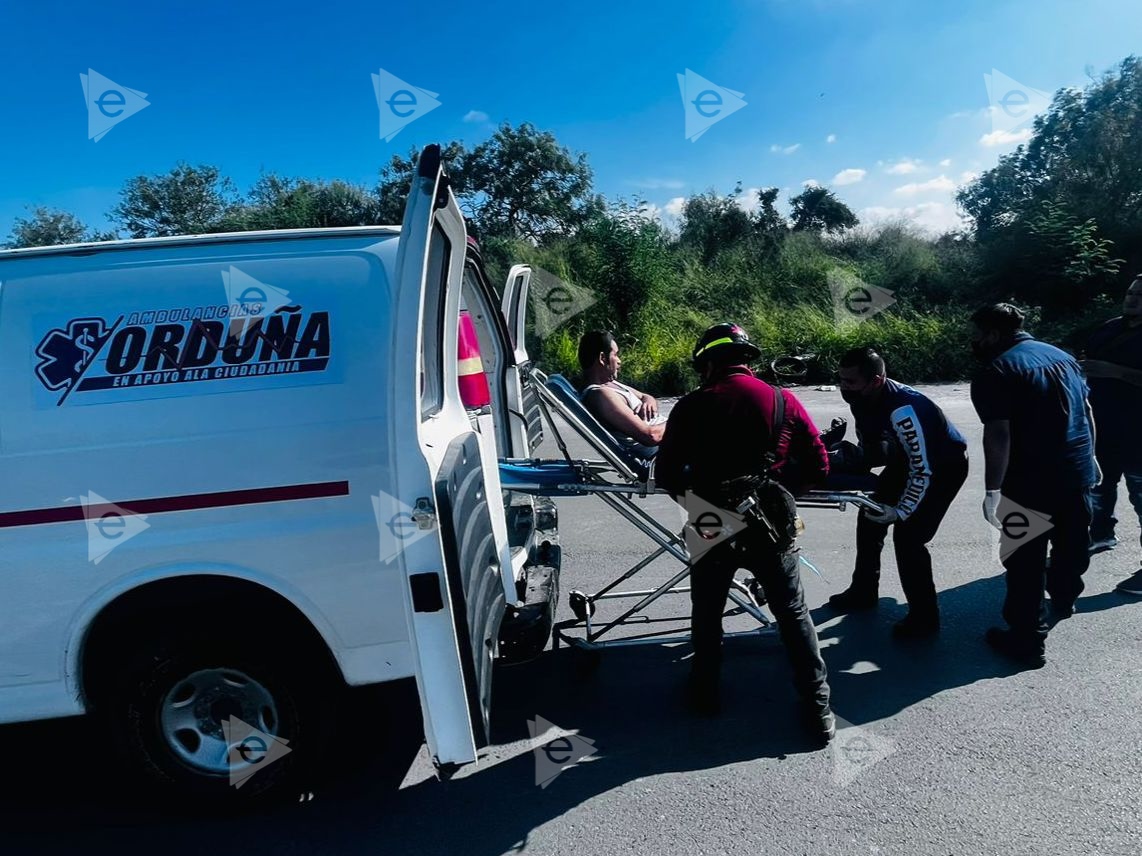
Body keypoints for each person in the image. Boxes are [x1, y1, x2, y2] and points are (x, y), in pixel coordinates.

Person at [655, 323, 835, 743]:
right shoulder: (782, 400)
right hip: (769, 524)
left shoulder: (691, 406)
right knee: (791, 612)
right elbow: (820, 466)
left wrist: (700, 507)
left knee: (708, 609)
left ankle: (705, 693)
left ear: (708, 363)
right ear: (747, 359)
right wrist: (780, 495)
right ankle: (818, 707)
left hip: (709, 518)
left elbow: (666, 474)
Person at [969, 304, 1098, 668]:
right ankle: (1065, 595)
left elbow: (998, 434)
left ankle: (1027, 641)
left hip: (1026, 483)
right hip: (1075, 472)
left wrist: (992, 490)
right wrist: (1093, 457)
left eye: (977, 334)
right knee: (1074, 542)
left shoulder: (996, 371)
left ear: (993, 333)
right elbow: (1086, 411)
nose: (974, 342)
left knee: (1024, 562)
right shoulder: (1063, 356)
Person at [827, 348, 969, 638]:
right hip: (905, 461)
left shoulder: (904, 409)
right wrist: (845, 457)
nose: (844, 387)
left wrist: (901, 510)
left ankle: (925, 618)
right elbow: (878, 452)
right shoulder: (862, 400)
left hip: (943, 468)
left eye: (851, 381)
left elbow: (923, 470)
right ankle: (863, 591)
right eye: (841, 379)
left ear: (876, 380)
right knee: (869, 515)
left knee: (908, 538)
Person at [1080, 275, 1142, 595]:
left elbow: (1105, 368)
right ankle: (1100, 533)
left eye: (1140, 295)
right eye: (1131, 292)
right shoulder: (1109, 328)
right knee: (1099, 486)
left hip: (1139, 430)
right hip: (1103, 424)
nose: (1132, 298)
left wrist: (1113, 371)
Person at [577, 330, 666, 449]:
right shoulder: (602, 396)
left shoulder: (609, 383)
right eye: (615, 355)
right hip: (666, 451)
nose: (619, 361)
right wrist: (682, 420)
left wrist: (649, 401)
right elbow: (650, 436)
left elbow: (644, 396)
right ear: (602, 358)